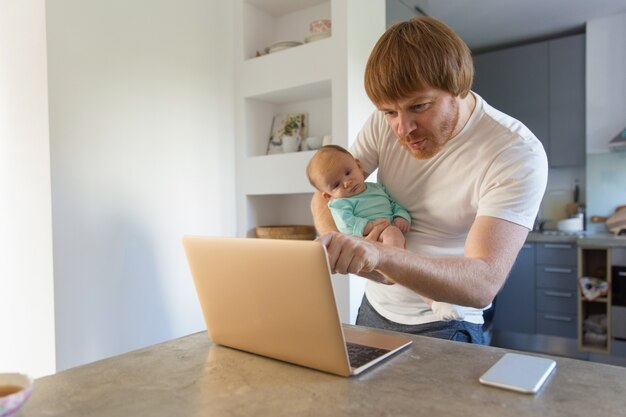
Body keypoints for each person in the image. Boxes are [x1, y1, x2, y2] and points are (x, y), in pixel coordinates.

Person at [311, 16, 548, 344]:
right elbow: (326, 194)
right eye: (390, 112)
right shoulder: (386, 123)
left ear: (458, 88)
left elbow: (483, 283)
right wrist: (339, 243)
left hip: (446, 322)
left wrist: (383, 257)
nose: (402, 129)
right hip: (374, 309)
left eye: (418, 107)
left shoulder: (514, 152)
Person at [306, 144, 465, 321]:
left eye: (348, 172)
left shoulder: (376, 188)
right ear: (328, 196)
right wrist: (370, 226)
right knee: (400, 252)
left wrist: (401, 216)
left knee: (406, 255)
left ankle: (430, 296)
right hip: (368, 240)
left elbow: (393, 204)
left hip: (389, 233)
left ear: (358, 166)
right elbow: (347, 225)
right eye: (336, 184)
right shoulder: (339, 204)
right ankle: (429, 298)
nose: (347, 182)